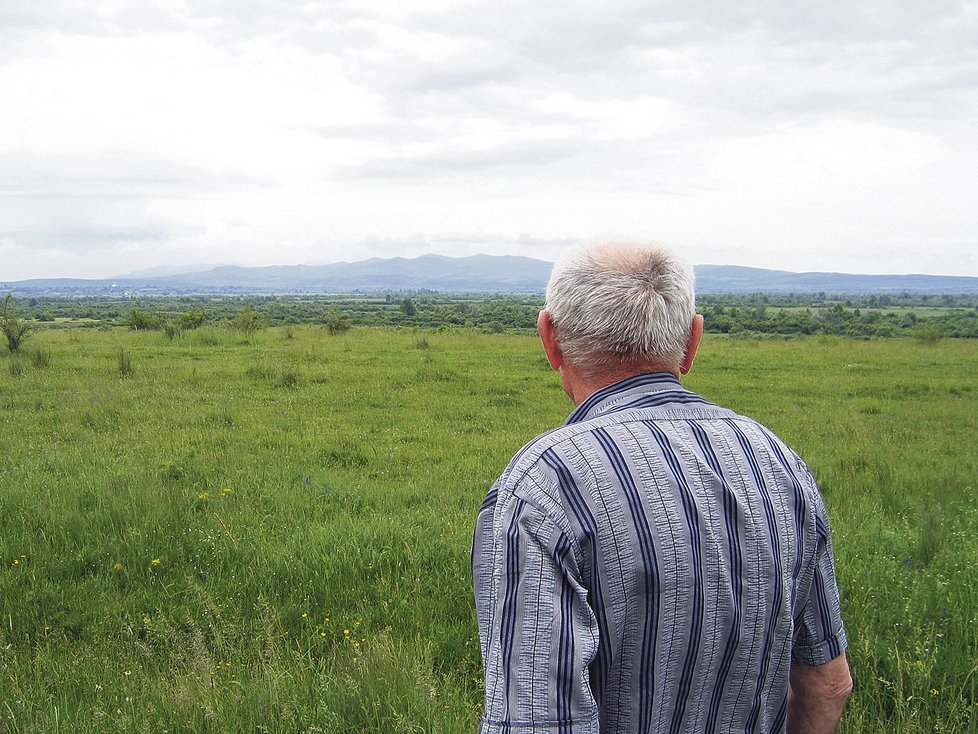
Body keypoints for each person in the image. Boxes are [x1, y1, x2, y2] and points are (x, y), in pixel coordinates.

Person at [472, 243, 851, 733]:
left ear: (550, 339)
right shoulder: (779, 462)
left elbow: (537, 721)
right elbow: (827, 683)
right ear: (692, 341)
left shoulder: (546, 485)